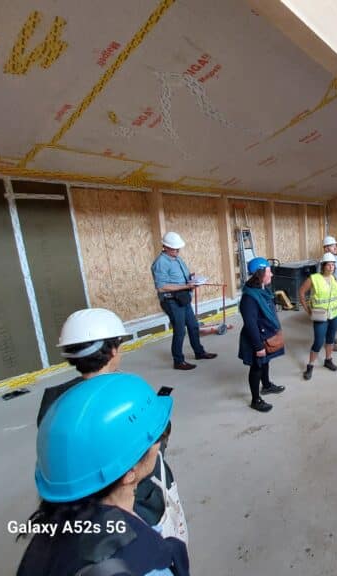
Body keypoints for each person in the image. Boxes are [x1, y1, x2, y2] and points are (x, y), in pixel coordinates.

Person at [36, 308, 189, 543]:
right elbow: (151, 442)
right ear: (114, 349)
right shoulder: (126, 395)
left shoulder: (56, 403)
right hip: (138, 507)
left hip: (79, 514)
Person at [17, 373, 190, 576]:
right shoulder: (145, 564)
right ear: (129, 473)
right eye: (157, 438)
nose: (160, 443)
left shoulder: (49, 537)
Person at [151, 231, 217, 370]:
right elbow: (161, 287)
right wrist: (186, 285)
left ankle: (199, 352)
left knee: (193, 326)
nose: (176, 251)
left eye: (178, 248)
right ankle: (178, 361)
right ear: (165, 247)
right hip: (171, 301)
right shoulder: (161, 263)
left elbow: (182, 276)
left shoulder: (178, 259)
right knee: (180, 331)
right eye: (174, 249)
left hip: (183, 298)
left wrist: (191, 278)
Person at [238, 257, 286, 412]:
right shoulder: (249, 297)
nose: (271, 274)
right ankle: (255, 400)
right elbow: (250, 324)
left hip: (266, 334)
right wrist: (258, 346)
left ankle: (266, 385)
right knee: (257, 367)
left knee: (265, 362)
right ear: (260, 274)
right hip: (256, 338)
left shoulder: (263, 289)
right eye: (268, 271)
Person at [299, 252, 337, 380]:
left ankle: (328, 360)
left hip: (335, 313)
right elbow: (301, 293)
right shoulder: (313, 278)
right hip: (320, 315)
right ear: (323, 266)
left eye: (333, 265)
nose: (331, 267)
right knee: (318, 341)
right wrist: (307, 310)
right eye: (329, 265)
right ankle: (310, 366)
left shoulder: (334, 278)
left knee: (330, 338)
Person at [322, 235, 337, 351]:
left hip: (336, 292)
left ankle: (332, 338)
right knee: (328, 319)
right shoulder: (323, 262)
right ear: (325, 249)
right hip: (328, 295)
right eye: (332, 245)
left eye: (335, 245)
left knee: (335, 317)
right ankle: (328, 342)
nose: (335, 247)